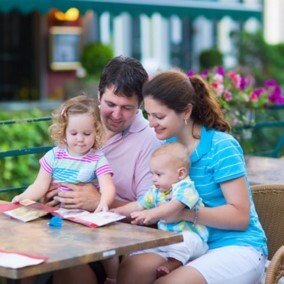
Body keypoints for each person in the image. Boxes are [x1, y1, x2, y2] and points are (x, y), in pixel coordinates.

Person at [117, 69, 268, 284]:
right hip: (187, 241)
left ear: (186, 111)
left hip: (236, 246)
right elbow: (152, 199)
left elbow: (240, 217)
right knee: (131, 270)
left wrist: (183, 214)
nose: (151, 123)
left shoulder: (221, 147)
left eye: (159, 116)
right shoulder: (167, 148)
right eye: (148, 114)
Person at [47, 56, 161, 284]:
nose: (117, 115)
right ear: (99, 96)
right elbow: (56, 167)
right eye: (110, 104)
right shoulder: (80, 124)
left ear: (140, 104)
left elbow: (153, 215)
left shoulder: (150, 140)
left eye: (127, 108)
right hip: (63, 227)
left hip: (113, 244)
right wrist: (51, 192)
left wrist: (99, 201)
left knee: (65, 268)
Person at [113, 142, 208, 280]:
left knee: (186, 241)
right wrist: (116, 212)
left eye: (158, 174)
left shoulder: (185, 186)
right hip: (167, 238)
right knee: (143, 247)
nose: (153, 179)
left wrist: (151, 213)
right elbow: (139, 205)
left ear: (180, 173)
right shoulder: (156, 191)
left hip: (193, 238)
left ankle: (173, 263)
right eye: (152, 173)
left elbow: (175, 206)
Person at [12, 95, 115, 213]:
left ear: (96, 132)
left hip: (86, 216)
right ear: (64, 132)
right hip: (58, 215)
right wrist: (23, 197)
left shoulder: (98, 158)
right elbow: (39, 186)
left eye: (87, 134)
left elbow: (108, 187)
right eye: (73, 133)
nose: (80, 139)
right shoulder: (54, 156)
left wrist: (103, 203)